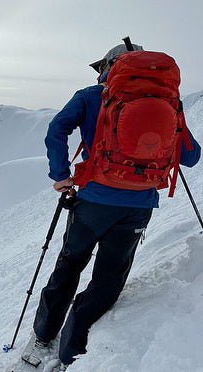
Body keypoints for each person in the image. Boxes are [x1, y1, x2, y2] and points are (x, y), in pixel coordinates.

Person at [21, 43, 202, 370]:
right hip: (138, 207)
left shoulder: (91, 96)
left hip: (92, 201)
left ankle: (43, 335)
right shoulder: (167, 104)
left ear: (108, 66)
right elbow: (191, 156)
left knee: (69, 264)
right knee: (109, 277)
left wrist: (61, 176)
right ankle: (70, 349)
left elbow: (57, 128)